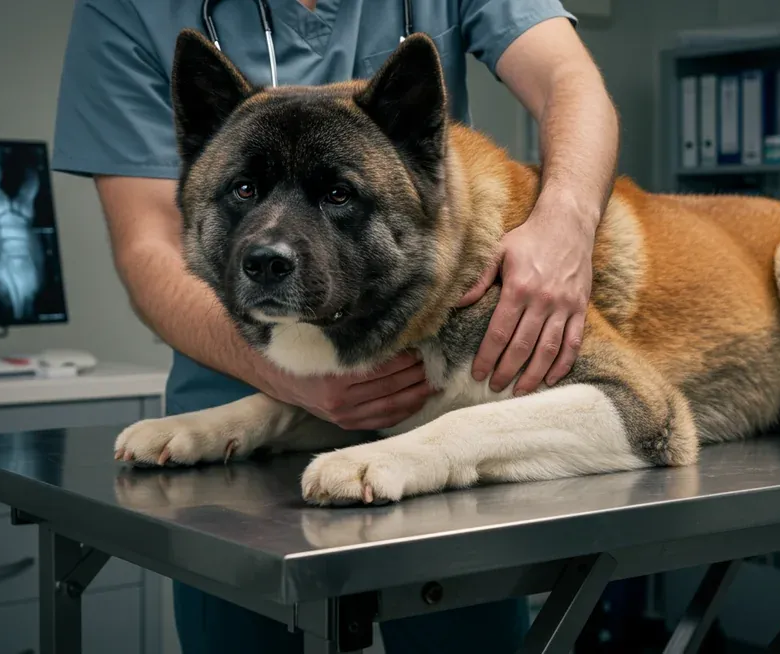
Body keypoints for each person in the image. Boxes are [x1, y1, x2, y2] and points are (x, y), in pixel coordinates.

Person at [52, 0, 620, 651]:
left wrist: (568, 221)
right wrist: (281, 376)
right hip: (237, 384)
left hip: (420, 366)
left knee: (463, 631)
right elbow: (148, 245)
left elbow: (567, 79)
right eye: (246, 193)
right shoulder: (129, 8)